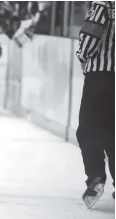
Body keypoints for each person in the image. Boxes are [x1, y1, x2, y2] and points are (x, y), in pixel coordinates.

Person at [76, 1, 115, 209]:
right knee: (112, 132)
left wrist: (81, 55)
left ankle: (96, 178)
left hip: (100, 76)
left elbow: (90, 35)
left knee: (88, 129)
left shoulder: (103, 3)